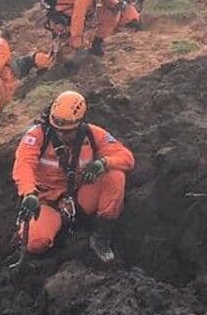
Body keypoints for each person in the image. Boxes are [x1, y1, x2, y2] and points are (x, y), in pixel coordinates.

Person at [12, 91, 135, 263]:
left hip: (78, 200)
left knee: (115, 175)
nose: (62, 135)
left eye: (68, 132)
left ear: (80, 123)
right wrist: (28, 192)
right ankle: (43, 232)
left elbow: (127, 158)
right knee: (36, 243)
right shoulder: (36, 136)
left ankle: (101, 235)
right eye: (58, 130)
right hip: (46, 202)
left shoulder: (93, 134)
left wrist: (103, 163)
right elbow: (23, 165)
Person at [25, 0, 133, 74]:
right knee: (54, 58)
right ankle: (31, 62)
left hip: (63, 11)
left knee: (112, 10)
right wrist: (77, 43)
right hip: (63, 18)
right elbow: (78, 16)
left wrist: (116, 5)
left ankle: (95, 44)